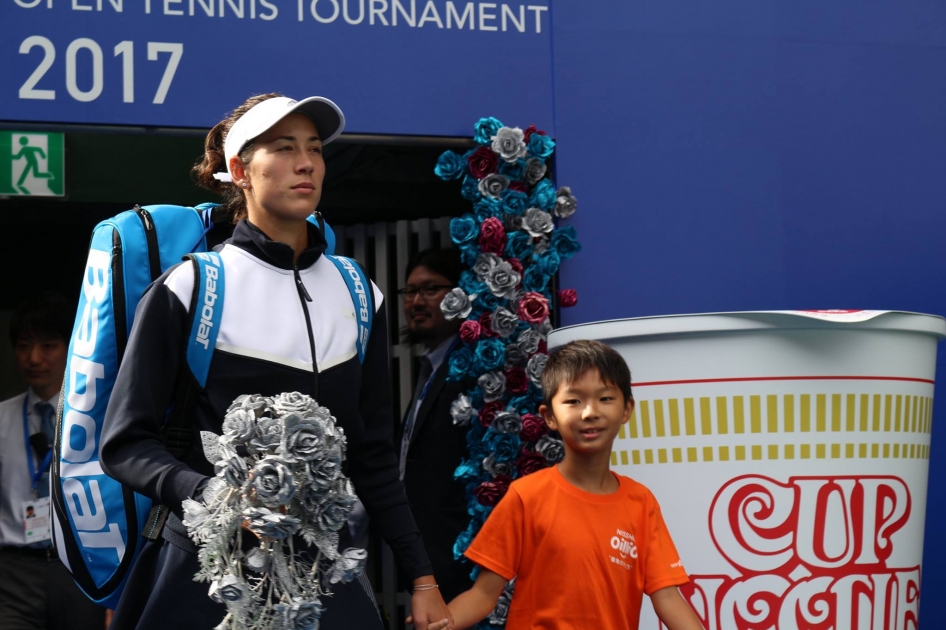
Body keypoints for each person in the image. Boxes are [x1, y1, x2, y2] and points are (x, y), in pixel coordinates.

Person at [99, 93, 451, 630]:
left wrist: (422, 579)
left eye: (313, 148)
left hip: (326, 580)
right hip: (204, 576)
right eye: (284, 148)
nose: (306, 162)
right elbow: (124, 444)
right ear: (239, 170)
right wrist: (219, 498)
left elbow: (374, 457)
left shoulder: (360, 293)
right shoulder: (191, 287)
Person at [425, 340, 704, 630]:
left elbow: (668, 597)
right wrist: (442, 623)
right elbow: (483, 595)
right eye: (573, 401)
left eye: (605, 398)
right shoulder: (526, 496)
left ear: (626, 409)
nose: (589, 412)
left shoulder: (641, 502)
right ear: (549, 417)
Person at [0, 292, 106, 630]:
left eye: (48, 346)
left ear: (71, 347)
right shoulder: (2, 418)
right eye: (23, 346)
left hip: (80, 566)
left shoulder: (98, 421)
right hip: (13, 572)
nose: (33, 358)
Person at [396, 248, 474, 602]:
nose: (416, 301)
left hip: (462, 564)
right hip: (430, 563)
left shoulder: (471, 372)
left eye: (430, 290)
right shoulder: (431, 368)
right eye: (409, 292)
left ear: (460, 295)